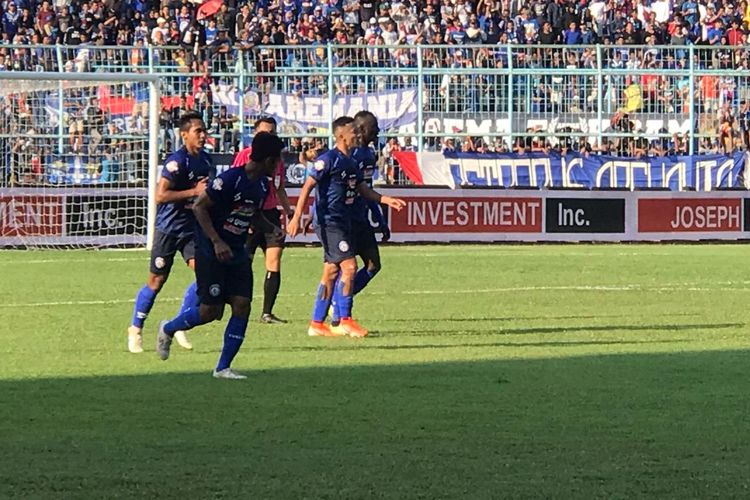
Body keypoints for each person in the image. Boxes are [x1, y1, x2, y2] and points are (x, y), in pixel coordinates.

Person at [156, 132, 286, 380]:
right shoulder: (230, 180)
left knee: (242, 305)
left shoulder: (261, 185)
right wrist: (216, 241)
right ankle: (169, 328)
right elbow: (199, 206)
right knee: (210, 312)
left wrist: (272, 228)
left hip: (237, 251)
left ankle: (223, 367)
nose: (280, 164)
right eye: (278, 159)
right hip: (211, 251)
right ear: (268, 160)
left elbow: (252, 214)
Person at [287, 116, 406, 338]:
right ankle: (345, 320)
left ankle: (316, 323)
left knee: (331, 271)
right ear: (341, 135)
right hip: (330, 222)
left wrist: (386, 200)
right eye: (353, 131)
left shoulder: (351, 162)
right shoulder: (328, 159)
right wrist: (298, 216)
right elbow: (308, 186)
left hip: (341, 222)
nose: (356, 134)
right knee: (349, 267)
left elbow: (364, 190)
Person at [127, 111, 214, 354]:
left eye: (204, 130)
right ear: (184, 135)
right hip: (168, 229)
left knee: (205, 275)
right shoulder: (176, 162)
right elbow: (160, 195)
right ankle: (135, 328)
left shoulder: (207, 161)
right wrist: (193, 192)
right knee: (156, 281)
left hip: (192, 229)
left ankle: (179, 324)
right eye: (198, 131)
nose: (203, 135)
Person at [231, 117, 295, 324]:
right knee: (243, 264)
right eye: (265, 132)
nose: (269, 135)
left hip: (270, 215)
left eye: (273, 132)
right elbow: (236, 186)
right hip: (249, 214)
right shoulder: (244, 156)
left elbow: (279, 188)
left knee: (274, 261)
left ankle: (267, 312)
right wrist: (243, 216)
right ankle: (239, 306)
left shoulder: (277, 161)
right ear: (255, 134)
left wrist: (290, 212)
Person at [330, 111, 389, 332]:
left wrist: (378, 216)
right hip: (345, 220)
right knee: (343, 268)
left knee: (373, 265)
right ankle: (339, 314)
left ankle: (339, 301)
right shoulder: (348, 156)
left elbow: (366, 189)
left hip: (361, 218)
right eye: (374, 128)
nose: (377, 133)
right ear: (362, 129)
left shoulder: (369, 155)